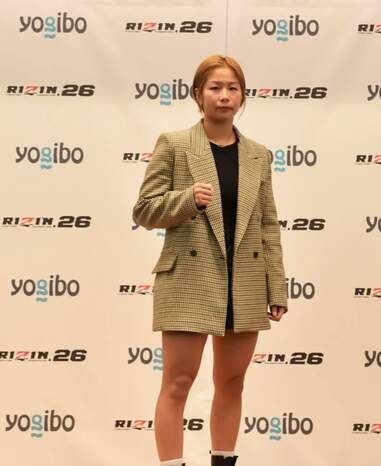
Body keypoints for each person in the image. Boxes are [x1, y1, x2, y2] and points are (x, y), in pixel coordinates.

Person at [132, 55, 288, 466]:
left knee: (232, 382)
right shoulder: (175, 144)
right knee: (177, 383)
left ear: (243, 96)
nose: (224, 96)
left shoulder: (259, 154)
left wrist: (276, 286)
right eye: (215, 88)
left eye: (232, 88)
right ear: (198, 94)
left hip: (245, 281)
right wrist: (186, 200)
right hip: (189, 277)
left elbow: (268, 224)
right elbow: (144, 211)